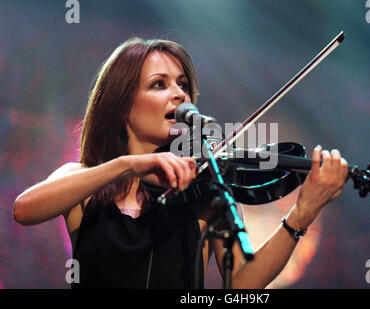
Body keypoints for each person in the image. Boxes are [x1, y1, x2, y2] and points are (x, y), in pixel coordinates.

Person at [13, 37, 348, 289]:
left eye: (183, 85)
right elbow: (25, 210)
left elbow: (242, 288)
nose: (179, 95)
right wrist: (128, 164)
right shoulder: (83, 181)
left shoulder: (204, 189)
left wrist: (302, 213)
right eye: (159, 84)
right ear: (121, 103)